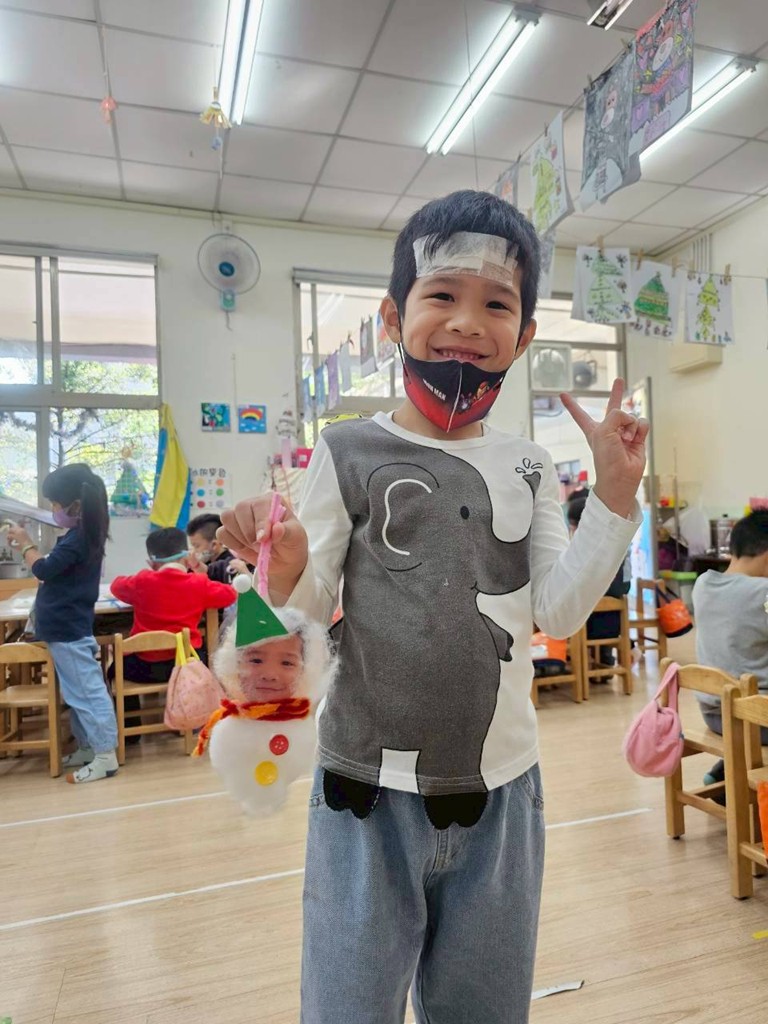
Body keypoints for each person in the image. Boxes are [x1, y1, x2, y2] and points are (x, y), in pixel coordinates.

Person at [218, 190, 648, 1024]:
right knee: (348, 1006)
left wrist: (615, 498)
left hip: (502, 789)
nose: (466, 322)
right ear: (393, 316)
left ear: (525, 335)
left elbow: (557, 612)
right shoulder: (347, 448)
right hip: (364, 789)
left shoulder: (527, 465)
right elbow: (305, 615)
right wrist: (286, 567)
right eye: (442, 294)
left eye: (497, 305)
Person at [3, 463, 119, 784]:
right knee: (75, 694)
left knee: (87, 693)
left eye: (55, 504)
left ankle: (105, 756)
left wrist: (26, 543)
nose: (53, 510)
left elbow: (43, 568)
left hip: (68, 629)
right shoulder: (80, 536)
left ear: (75, 506)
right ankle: (88, 747)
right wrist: (26, 546)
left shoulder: (78, 539)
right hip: (64, 627)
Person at [692, 510, 768, 785]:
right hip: (756, 718)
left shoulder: (702, 585)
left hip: (713, 712)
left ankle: (724, 773)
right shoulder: (763, 593)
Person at [109, 527, 235, 685]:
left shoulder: (141, 581)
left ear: (152, 563)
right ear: (187, 557)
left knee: (112, 670)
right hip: (185, 664)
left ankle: (128, 701)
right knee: (202, 654)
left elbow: (115, 585)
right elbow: (230, 594)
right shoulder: (199, 583)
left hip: (144, 668)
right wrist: (198, 569)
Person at [567, 494, 631, 667]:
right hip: (615, 622)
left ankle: (568, 665)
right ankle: (606, 657)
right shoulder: (617, 544)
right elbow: (625, 586)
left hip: (588, 626)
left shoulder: (581, 551)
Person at [186, 512, 248, 582]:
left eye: (196, 546)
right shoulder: (205, 562)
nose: (193, 551)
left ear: (214, 545)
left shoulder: (230, 566)